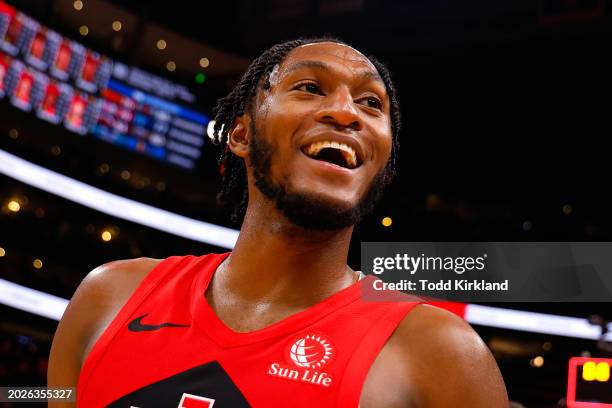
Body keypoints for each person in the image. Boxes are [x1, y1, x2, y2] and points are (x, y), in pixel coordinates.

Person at [48, 37, 508, 407]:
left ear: (384, 163)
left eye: (371, 102)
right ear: (242, 134)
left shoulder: (442, 353)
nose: (346, 112)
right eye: (309, 87)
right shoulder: (108, 295)